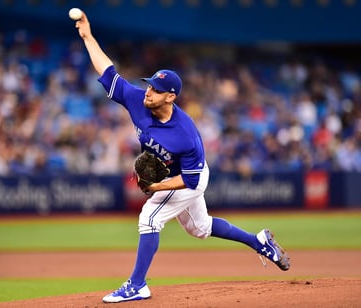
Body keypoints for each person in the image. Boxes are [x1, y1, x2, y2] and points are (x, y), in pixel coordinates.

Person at [74, 10, 290, 303]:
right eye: (149, 85)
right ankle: (259, 241)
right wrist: (88, 37)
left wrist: (154, 188)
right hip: (177, 175)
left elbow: (189, 181)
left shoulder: (185, 134)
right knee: (201, 229)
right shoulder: (139, 100)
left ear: (171, 97)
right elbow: (107, 72)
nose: (148, 91)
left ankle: (137, 284)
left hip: (189, 178)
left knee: (149, 217)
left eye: (156, 89)